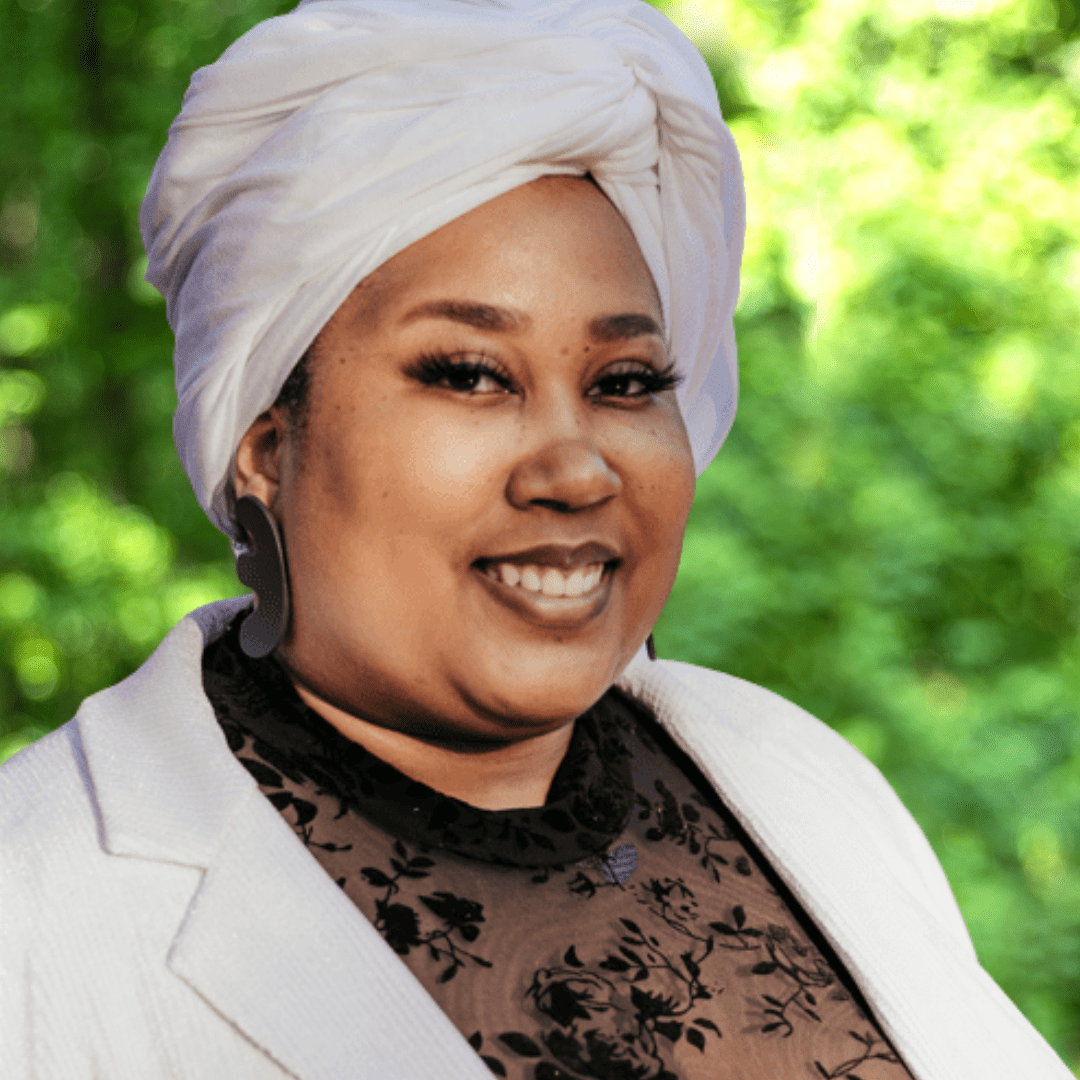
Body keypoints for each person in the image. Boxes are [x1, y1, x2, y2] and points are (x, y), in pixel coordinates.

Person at [0, 1, 1070, 1077]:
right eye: (469, 374)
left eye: (625, 383)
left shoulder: (800, 780)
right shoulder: (36, 908)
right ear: (265, 445)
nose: (574, 467)